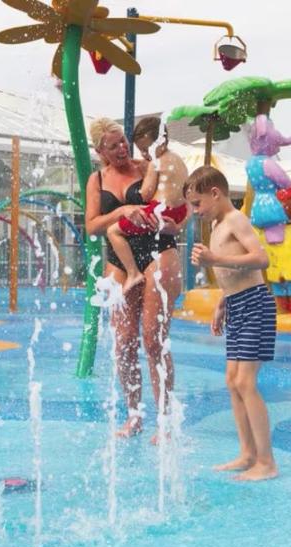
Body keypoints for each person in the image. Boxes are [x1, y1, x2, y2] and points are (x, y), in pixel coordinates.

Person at [85, 117, 185, 441]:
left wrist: (177, 221)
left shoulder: (147, 166)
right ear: (100, 149)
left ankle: (165, 420)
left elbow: (177, 199)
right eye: (113, 145)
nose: (122, 149)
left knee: (153, 339)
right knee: (124, 343)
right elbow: (92, 225)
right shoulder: (96, 180)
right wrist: (123, 211)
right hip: (121, 256)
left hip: (158, 251)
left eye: (123, 141)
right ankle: (133, 416)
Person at [186, 165, 278, 481]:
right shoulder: (216, 225)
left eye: (197, 203)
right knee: (231, 380)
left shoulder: (236, 220)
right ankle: (247, 453)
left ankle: (266, 462)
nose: (194, 211)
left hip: (255, 304)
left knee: (245, 382)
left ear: (215, 193)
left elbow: (260, 259)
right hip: (237, 304)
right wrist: (222, 303)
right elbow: (234, 276)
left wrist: (216, 260)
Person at [106, 117, 189, 293]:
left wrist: (145, 173)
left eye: (145, 149)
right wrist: (180, 224)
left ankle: (133, 273)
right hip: (178, 211)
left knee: (112, 231)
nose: (144, 154)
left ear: (161, 142)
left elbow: (146, 194)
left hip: (159, 212)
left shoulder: (155, 163)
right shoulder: (178, 159)